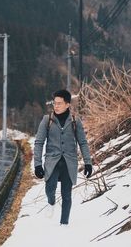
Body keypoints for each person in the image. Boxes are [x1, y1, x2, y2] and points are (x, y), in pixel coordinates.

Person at [34, 89, 92, 225]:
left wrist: (87, 162)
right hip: (52, 161)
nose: (56, 106)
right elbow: (39, 142)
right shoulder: (47, 120)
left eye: (59, 103)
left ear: (67, 104)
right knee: (50, 187)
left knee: (67, 195)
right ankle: (51, 202)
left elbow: (82, 142)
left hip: (69, 162)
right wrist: (37, 164)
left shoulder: (74, 121)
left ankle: (64, 224)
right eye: (55, 103)